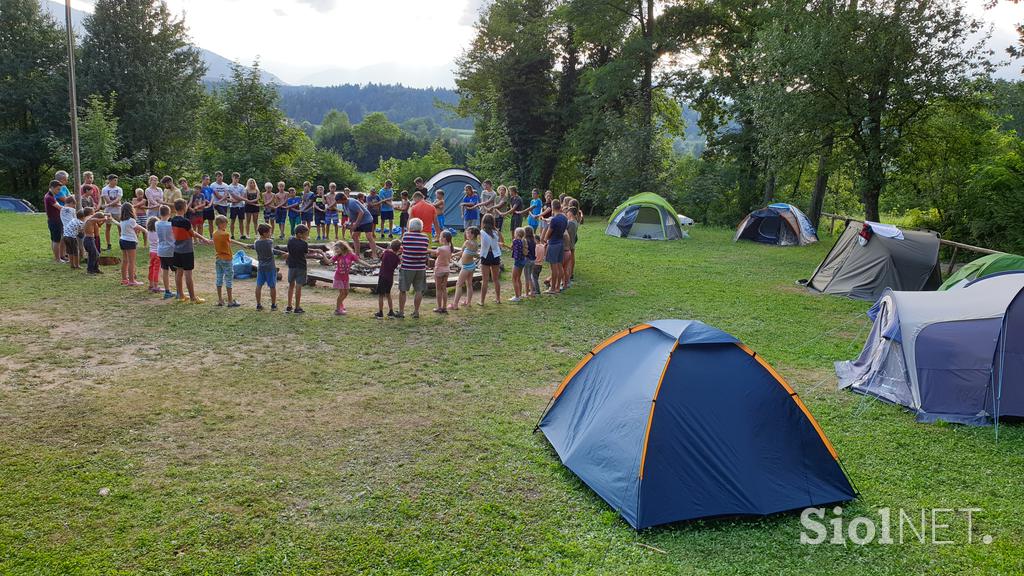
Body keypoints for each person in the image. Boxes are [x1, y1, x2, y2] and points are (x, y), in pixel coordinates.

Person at [171, 198, 212, 304]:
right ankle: (193, 297)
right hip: (187, 251)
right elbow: (193, 233)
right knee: (188, 273)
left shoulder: (172, 220)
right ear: (184, 208)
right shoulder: (185, 221)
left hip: (176, 250)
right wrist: (204, 239)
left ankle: (181, 295)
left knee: (179, 272)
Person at [281, 224, 324, 314]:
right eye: (306, 234)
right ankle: (297, 307)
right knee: (298, 287)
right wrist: (316, 252)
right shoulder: (304, 243)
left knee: (291, 286)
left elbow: (291, 251)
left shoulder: (290, 240)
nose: (307, 236)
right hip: (301, 267)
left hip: (291, 266)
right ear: (300, 234)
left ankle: (289, 306)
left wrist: (315, 250)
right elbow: (305, 253)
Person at [396, 217, 430, 318]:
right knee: (418, 290)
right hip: (420, 267)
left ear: (410, 226)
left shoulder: (406, 236)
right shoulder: (425, 238)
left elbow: (403, 247)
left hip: (407, 266)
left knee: (403, 290)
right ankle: (416, 311)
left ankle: (401, 312)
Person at [212, 214, 245, 307]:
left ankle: (220, 300)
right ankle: (230, 301)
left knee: (219, 278)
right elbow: (229, 240)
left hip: (218, 258)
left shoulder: (214, 233)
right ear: (222, 224)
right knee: (229, 279)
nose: (226, 225)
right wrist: (243, 245)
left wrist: (242, 244)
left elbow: (229, 240)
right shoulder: (225, 234)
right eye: (226, 223)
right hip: (227, 259)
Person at [329, 240, 368, 316]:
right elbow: (328, 262)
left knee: (346, 293)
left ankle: (340, 306)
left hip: (345, 278)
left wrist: (369, 266)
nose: (336, 251)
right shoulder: (337, 256)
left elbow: (359, 261)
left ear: (342, 247)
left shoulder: (350, 255)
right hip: (338, 277)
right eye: (335, 249)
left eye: (337, 249)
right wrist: (322, 254)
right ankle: (337, 310)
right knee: (342, 293)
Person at [339, 190, 377, 258]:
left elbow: (361, 212)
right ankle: (357, 255)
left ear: (342, 199)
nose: (338, 203)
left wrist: (356, 224)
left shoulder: (352, 202)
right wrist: (349, 224)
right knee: (354, 236)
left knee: (369, 236)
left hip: (366, 220)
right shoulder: (344, 205)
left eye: (339, 201)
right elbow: (351, 215)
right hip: (358, 221)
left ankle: (374, 255)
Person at [450, 226, 479, 311]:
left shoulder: (467, 242)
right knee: (469, 284)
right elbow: (464, 252)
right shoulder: (476, 243)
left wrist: (454, 254)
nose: (466, 234)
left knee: (458, 284)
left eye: (468, 232)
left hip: (466, 267)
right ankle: (468, 302)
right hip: (472, 265)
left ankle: (455, 305)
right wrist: (454, 255)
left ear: (472, 235)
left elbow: (463, 250)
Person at [118, 201, 146, 286]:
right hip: (130, 242)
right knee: (131, 262)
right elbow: (138, 227)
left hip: (122, 240)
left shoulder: (122, 220)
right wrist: (146, 230)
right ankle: (132, 280)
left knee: (125, 260)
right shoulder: (131, 220)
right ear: (131, 210)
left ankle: (124, 279)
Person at [251, 223, 279, 311]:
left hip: (261, 267)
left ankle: (258, 305)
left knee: (259, 285)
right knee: (272, 286)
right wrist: (282, 253)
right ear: (264, 233)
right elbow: (272, 251)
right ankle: (273, 305)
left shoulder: (256, 242)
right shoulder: (269, 242)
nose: (270, 233)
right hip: (270, 267)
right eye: (269, 232)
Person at [543, 199, 568, 294]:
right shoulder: (564, 218)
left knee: (553, 268)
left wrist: (545, 240)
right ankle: (558, 286)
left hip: (553, 243)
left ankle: (553, 288)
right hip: (561, 243)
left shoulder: (554, 220)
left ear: (553, 207)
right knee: (560, 266)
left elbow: (548, 234)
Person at [478, 214, 502, 305]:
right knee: (496, 279)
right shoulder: (496, 232)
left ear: (483, 222)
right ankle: (498, 299)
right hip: (495, 255)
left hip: (486, 255)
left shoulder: (481, 232)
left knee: (485, 280)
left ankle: (482, 301)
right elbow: (500, 241)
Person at [375, 239, 401, 318]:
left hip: (382, 276)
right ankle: (391, 311)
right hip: (390, 278)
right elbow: (395, 266)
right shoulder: (397, 258)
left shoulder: (386, 252)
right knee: (388, 294)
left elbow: (381, 257)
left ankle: (380, 312)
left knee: (381, 295)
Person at [155, 205, 177, 299]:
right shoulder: (170, 225)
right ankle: (179, 290)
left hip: (161, 249)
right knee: (177, 271)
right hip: (171, 250)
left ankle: (167, 290)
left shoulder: (157, 223)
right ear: (169, 213)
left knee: (165, 270)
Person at [432, 230, 455, 313]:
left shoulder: (441, 248)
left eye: (441, 236)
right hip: (446, 270)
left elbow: (434, 253)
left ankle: (439, 307)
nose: (439, 238)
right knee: (444, 289)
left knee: (438, 289)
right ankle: (444, 307)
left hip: (439, 270)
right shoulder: (450, 248)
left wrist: (425, 249)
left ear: (444, 238)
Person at [43, 180, 65, 262]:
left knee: (54, 240)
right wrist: (70, 209)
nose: (59, 191)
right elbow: (59, 207)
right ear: (52, 188)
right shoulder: (49, 197)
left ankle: (56, 257)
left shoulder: (51, 196)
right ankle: (58, 259)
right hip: (54, 221)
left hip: (53, 220)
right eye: (58, 189)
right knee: (57, 240)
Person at [100, 174, 123, 251]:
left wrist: (109, 204)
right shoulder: (105, 189)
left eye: (116, 180)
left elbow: (118, 198)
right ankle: (108, 244)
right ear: (110, 181)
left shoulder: (119, 189)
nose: (116, 181)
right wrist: (112, 204)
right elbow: (107, 199)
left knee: (120, 226)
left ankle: (121, 242)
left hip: (118, 211)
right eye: (114, 180)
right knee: (108, 227)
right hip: (108, 211)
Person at [61, 197, 82, 270]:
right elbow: (75, 220)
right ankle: (77, 265)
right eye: (74, 205)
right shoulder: (72, 210)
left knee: (69, 251)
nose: (74, 206)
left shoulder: (62, 209)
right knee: (76, 251)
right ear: (71, 203)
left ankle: (72, 264)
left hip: (65, 234)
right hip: (72, 234)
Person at [226, 172, 246, 239]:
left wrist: (237, 201)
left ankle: (242, 235)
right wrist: (232, 200)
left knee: (241, 221)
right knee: (232, 221)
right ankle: (232, 235)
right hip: (233, 206)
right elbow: (229, 197)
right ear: (232, 178)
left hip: (241, 206)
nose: (236, 179)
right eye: (235, 178)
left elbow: (243, 196)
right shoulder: (229, 187)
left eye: (237, 178)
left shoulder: (241, 186)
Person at [509, 227, 526, 302]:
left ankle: (517, 296)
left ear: (517, 234)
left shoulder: (515, 241)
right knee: (518, 278)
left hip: (518, 261)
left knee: (514, 278)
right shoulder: (522, 241)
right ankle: (519, 294)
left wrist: (502, 245)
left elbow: (511, 247)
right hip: (523, 260)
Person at [565, 206, 580, 288]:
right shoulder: (575, 221)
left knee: (567, 262)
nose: (567, 213)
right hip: (572, 243)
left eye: (567, 212)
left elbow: (567, 234)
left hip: (569, 244)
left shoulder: (570, 223)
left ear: (570, 213)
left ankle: (568, 276)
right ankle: (570, 275)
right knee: (570, 261)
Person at [145, 217, 161, 292]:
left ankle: (151, 284)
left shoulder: (148, 232)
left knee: (151, 267)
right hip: (158, 252)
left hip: (151, 252)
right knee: (156, 269)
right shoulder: (158, 232)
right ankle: (155, 285)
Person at [523, 226, 538, 297]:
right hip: (533, 260)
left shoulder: (525, 241)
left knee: (527, 277)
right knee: (530, 276)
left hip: (527, 260)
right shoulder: (534, 241)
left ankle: (527, 293)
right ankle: (532, 291)